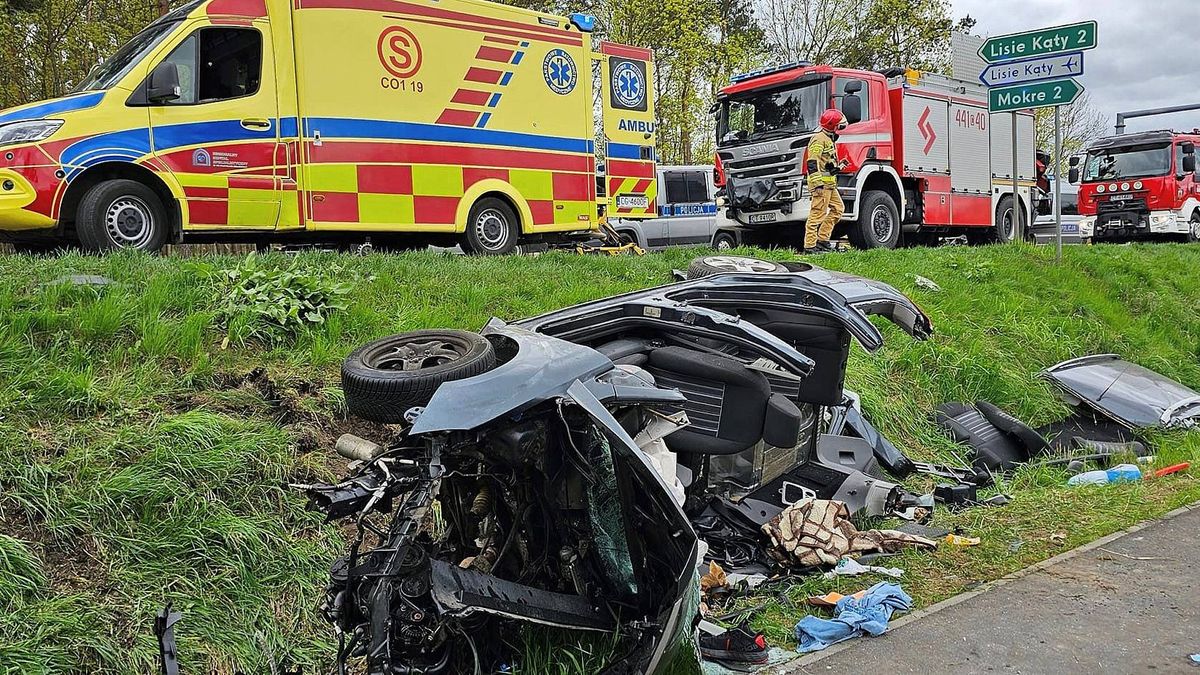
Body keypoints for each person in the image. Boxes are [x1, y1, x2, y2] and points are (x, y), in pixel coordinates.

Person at [805, 109, 850, 252]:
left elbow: (826, 164)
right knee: (817, 214)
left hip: (829, 184)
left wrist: (837, 167)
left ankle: (823, 240)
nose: (841, 128)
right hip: (821, 185)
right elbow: (812, 162)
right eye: (840, 125)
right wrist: (817, 184)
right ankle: (810, 246)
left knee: (838, 209)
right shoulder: (819, 139)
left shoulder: (828, 137)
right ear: (833, 125)